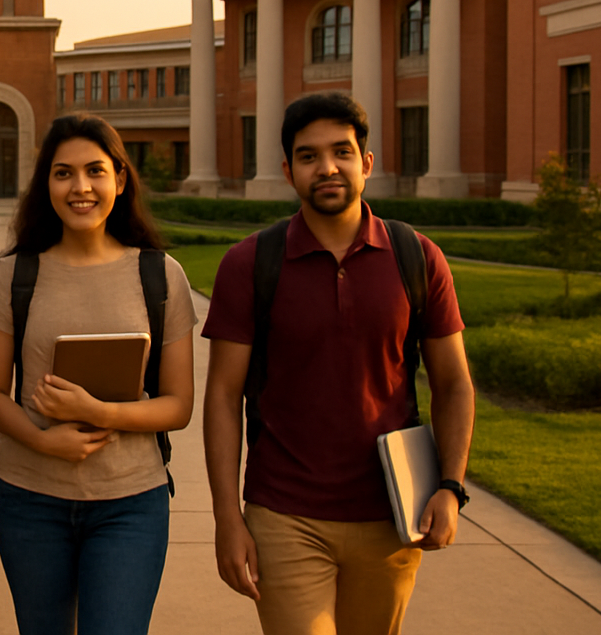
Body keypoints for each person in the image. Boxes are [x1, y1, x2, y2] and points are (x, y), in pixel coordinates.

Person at [202, 92, 476, 635]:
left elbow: (454, 384)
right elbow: (222, 397)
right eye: (308, 156)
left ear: (366, 164)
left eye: (341, 152)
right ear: (288, 171)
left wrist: (451, 485)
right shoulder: (250, 264)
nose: (327, 167)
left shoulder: (417, 257)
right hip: (284, 513)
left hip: (392, 511)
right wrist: (227, 518)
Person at [0, 113, 197, 635]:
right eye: (63, 173)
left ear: (120, 180)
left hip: (130, 504)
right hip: (30, 500)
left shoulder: (160, 275)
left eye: (95, 171)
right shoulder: (13, 275)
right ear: (45, 184)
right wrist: (43, 440)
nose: (80, 187)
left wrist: (96, 413)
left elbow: (178, 405)